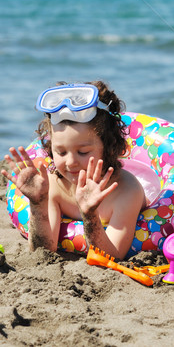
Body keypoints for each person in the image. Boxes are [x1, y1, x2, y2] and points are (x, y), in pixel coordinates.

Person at [1, 82, 145, 259]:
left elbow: (113, 257)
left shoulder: (126, 190)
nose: (70, 162)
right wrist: (38, 203)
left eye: (82, 152)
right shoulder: (54, 184)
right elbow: (44, 251)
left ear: (110, 147)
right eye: (61, 152)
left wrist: (90, 215)